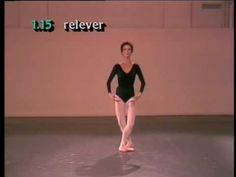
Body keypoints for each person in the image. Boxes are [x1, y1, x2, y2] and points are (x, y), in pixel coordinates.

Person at [106, 41, 146, 152]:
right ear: (122, 52)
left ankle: (121, 144)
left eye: (129, 49)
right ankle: (129, 142)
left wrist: (138, 96)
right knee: (121, 122)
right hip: (119, 96)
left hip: (130, 96)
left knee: (131, 123)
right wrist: (110, 94)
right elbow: (108, 82)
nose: (127, 51)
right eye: (125, 49)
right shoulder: (117, 66)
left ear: (131, 51)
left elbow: (143, 83)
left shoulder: (136, 66)